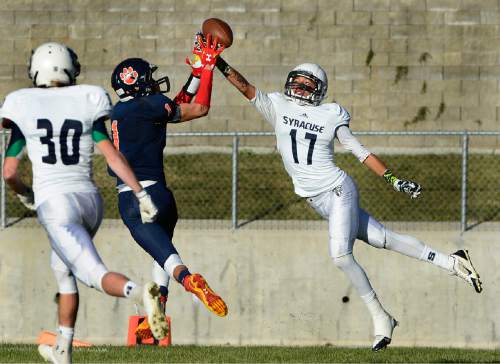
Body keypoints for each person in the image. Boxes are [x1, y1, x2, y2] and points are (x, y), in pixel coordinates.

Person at [213, 56, 482, 350]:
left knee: (341, 256)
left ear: (320, 89)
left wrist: (393, 179)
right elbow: (245, 87)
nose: (301, 87)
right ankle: (452, 261)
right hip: (318, 201)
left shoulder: (330, 114)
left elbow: (358, 150)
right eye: (298, 81)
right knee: (383, 239)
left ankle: (381, 318)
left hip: (339, 189)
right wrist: (218, 61)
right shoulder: (277, 105)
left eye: (308, 84)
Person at [1, 42, 169, 364]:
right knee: (62, 269)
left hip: (56, 206)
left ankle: (140, 293)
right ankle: (62, 350)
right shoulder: (85, 99)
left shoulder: (23, 104)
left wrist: (24, 193)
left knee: (92, 273)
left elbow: (9, 171)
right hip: (91, 202)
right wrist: (141, 194)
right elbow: (113, 156)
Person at [108, 33, 227, 339]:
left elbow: (178, 106)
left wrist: (199, 72)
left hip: (133, 199)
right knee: (163, 252)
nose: (153, 81)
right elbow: (194, 108)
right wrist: (206, 71)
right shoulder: (151, 106)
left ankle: (190, 280)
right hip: (162, 196)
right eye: (148, 77)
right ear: (138, 82)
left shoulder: (120, 112)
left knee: (168, 258)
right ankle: (155, 315)